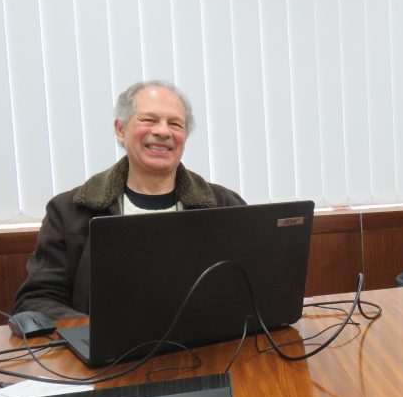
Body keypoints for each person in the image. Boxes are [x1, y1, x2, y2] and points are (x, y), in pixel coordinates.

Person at [13, 80, 245, 319]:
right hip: (109, 352)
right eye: (149, 120)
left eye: (175, 123)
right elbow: (36, 301)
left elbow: (250, 289)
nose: (163, 131)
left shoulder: (225, 205)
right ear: (120, 129)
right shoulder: (69, 210)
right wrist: (96, 331)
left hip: (206, 348)